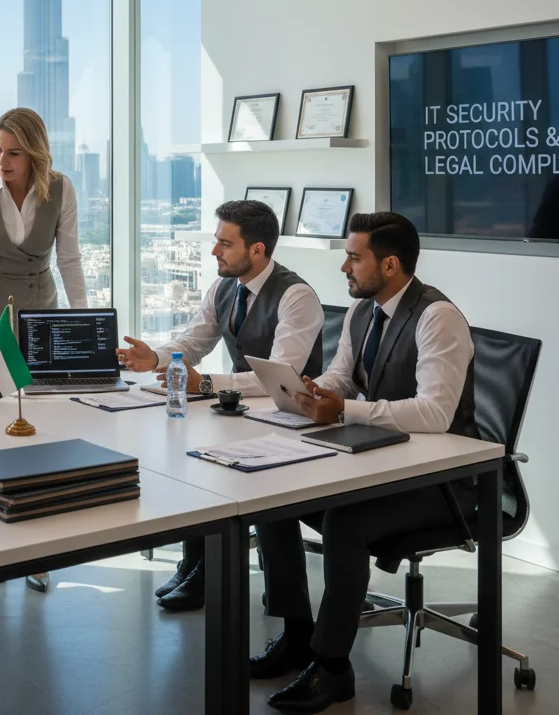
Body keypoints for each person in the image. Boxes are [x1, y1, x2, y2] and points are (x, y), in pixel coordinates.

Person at [251, 212, 478, 714]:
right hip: (384, 464)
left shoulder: (438, 317)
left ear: (391, 264)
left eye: (354, 257)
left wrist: (344, 409)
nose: (344, 268)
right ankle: (297, 635)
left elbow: (436, 413)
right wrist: (315, 392)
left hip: (446, 484)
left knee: (345, 521)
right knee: (274, 502)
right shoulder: (362, 311)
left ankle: (332, 668)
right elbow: (342, 376)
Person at [118, 199, 323, 612]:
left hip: (294, 420)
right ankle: (196, 566)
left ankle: (281, 612)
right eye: (216, 241)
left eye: (224, 244)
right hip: (244, 413)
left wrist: (207, 382)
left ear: (257, 250)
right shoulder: (223, 286)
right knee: (193, 458)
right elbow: (196, 341)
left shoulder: (296, 296)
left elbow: (280, 376)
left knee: (268, 496)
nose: (214, 251)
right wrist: (155, 357)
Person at [0, 106, 87, 593]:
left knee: (41, 427)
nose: (2, 161)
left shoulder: (61, 188)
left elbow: (70, 259)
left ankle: (38, 549)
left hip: (43, 312)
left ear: (34, 153)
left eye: (13, 152)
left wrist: (82, 321)